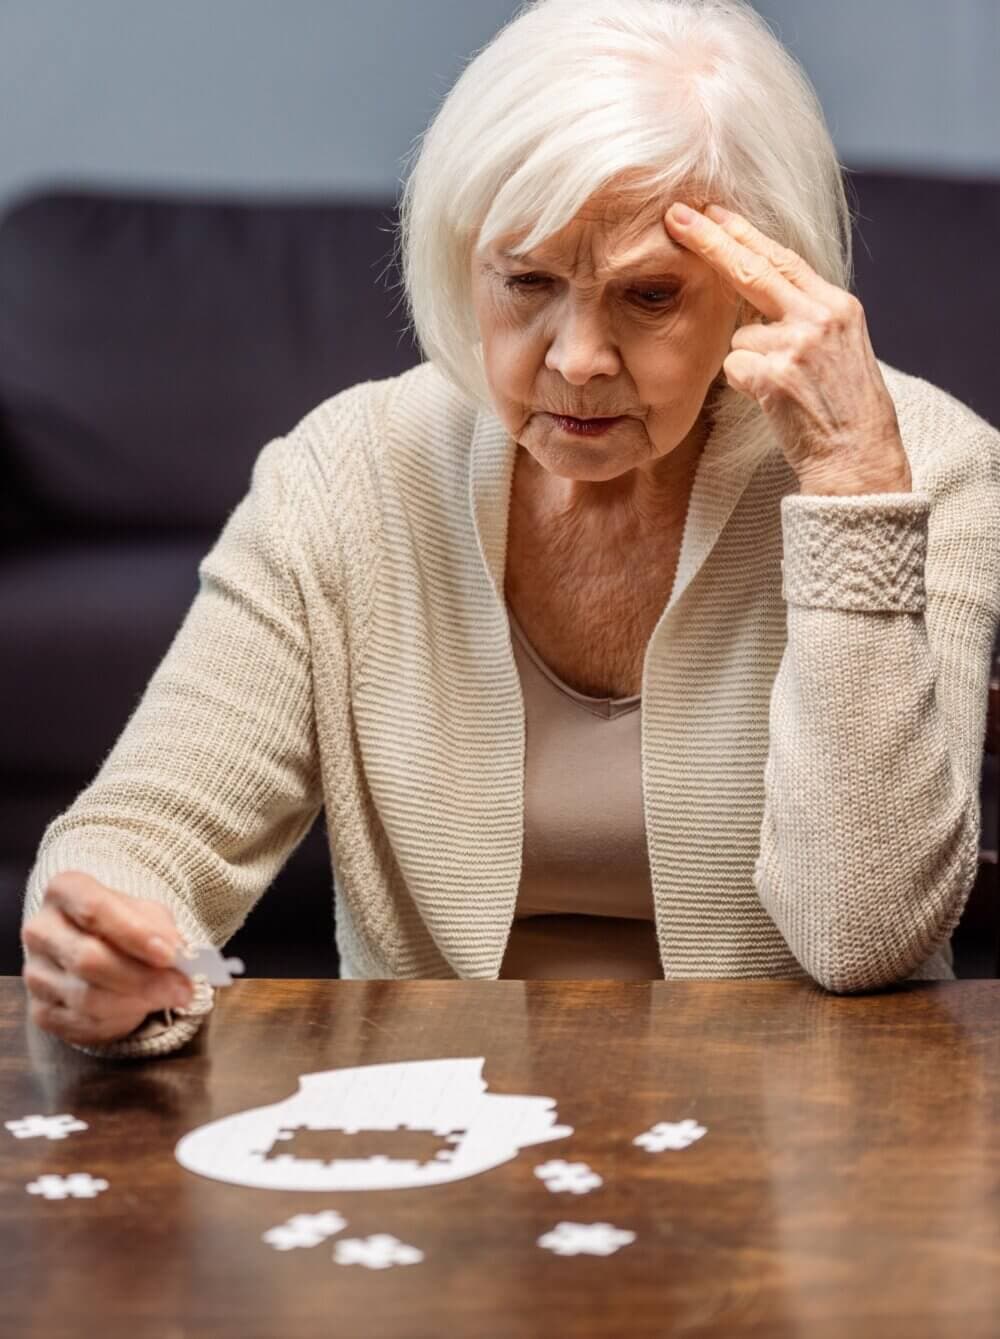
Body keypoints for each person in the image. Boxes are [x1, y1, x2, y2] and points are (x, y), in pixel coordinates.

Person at [19, 0, 1000, 1059]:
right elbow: (147, 828)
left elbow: (865, 937)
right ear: (462, 259)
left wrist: (852, 491)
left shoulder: (924, 466)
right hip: (437, 1139)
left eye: (651, 294)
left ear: (763, 287)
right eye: (527, 280)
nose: (577, 357)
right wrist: (105, 938)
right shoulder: (344, 472)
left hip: (806, 1140)